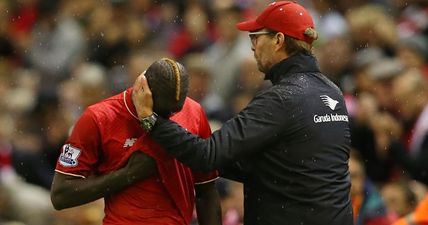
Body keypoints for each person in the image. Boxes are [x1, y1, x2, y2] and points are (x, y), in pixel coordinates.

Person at [133, 1, 353, 225]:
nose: (252, 46)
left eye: (256, 37)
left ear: (278, 40)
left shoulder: (281, 98)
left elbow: (206, 156)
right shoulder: (332, 91)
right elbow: (285, 169)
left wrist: (151, 120)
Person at [50, 58, 222, 225]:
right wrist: (128, 174)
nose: (169, 117)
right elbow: (61, 195)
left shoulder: (194, 112)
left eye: (175, 111)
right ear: (143, 88)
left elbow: (206, 191)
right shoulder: (99, 118)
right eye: (162, 112)